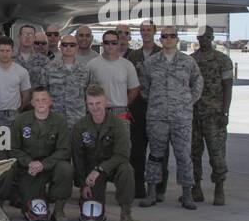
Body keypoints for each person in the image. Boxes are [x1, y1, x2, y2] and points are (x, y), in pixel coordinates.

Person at [139, 27, 203, 209]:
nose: (168, 39)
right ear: (160, 39)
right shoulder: (150, 63)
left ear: (177, 39)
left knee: (183, 156)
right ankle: (151, 192)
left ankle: (187, 194)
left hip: (181, 117)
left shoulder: (188, 62)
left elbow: (197, 82)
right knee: (155, 156)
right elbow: (144, 89)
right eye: (164, 36)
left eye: (171, 36)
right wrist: (156, 102)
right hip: (157, 117)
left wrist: (187, 101)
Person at [72, 86, 137, 221]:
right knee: (94, 216)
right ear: (86, 104)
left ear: (106, 102)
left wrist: (101, 169)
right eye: (91, 104)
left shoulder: (118, 124)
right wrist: (83, 185)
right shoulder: (80, 126)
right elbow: (78, 159)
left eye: (98, 103)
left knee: (126, 169)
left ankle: (126, 213)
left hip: (112, 167)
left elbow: (122, 154)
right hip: (91, 173)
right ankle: (88, 199)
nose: (95, 108)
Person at [8, 86, 73, 221]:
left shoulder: (60, 121)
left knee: (66, 168)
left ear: (50, 101)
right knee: (34, 212)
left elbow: (64, 150)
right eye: (37, 100)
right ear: (32, 103)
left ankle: (59, 210)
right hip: (28, 169)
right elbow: (14, 149)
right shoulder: (21, 120)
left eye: (44, 99)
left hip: (50, 167)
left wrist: (44, 164)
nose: (41, 103)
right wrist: (29, 163)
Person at [191, 25, 234, 205]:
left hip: (214, 115)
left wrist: (225, 111)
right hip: (194, 114)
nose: (205, 39)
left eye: (208, 36)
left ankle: (219, 188)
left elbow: (228, 87)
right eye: (202, 37)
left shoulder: (222, 60)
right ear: (198, 39)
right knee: (194, 153)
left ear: (212, 37)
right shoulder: (191, 60)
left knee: (217, 153)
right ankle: (196, 187)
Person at [125, 20, 160, 200]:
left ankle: (158, 190)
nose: (145, 33)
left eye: (148, 30)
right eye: (142, 30)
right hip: (137, 109)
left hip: (158, 109)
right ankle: (138, 187)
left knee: (158, 150)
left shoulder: (162, 54)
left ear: (154, 32)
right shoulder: (133, 56)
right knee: (137, 151)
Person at [86, 29, 140, 119]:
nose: (110, 45)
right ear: (102, 44)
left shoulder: (127, 65)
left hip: (120, 111)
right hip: (98, 110)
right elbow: (84, 88)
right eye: (107, 43)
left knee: (121, 133)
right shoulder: (92, 65)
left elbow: (134, 89)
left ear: (118, 44)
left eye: (113, 43)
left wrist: (124, 103)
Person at [45, 32, 89, 126]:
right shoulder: (49, 68)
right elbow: (43, 94)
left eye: (72, 45)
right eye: (65, 45)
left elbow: (89, 96)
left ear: (77, 47)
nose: (68, 47)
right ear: (60, 47)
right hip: (55, 121)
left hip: (78, 122)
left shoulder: (85, 70)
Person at [14, 23, 49, 87]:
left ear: (34, 38)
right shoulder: (10, 58)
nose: (27, 37)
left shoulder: (44, 60)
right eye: (25, 34)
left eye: (30, 34)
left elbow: (46, 83)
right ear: (19, 36)